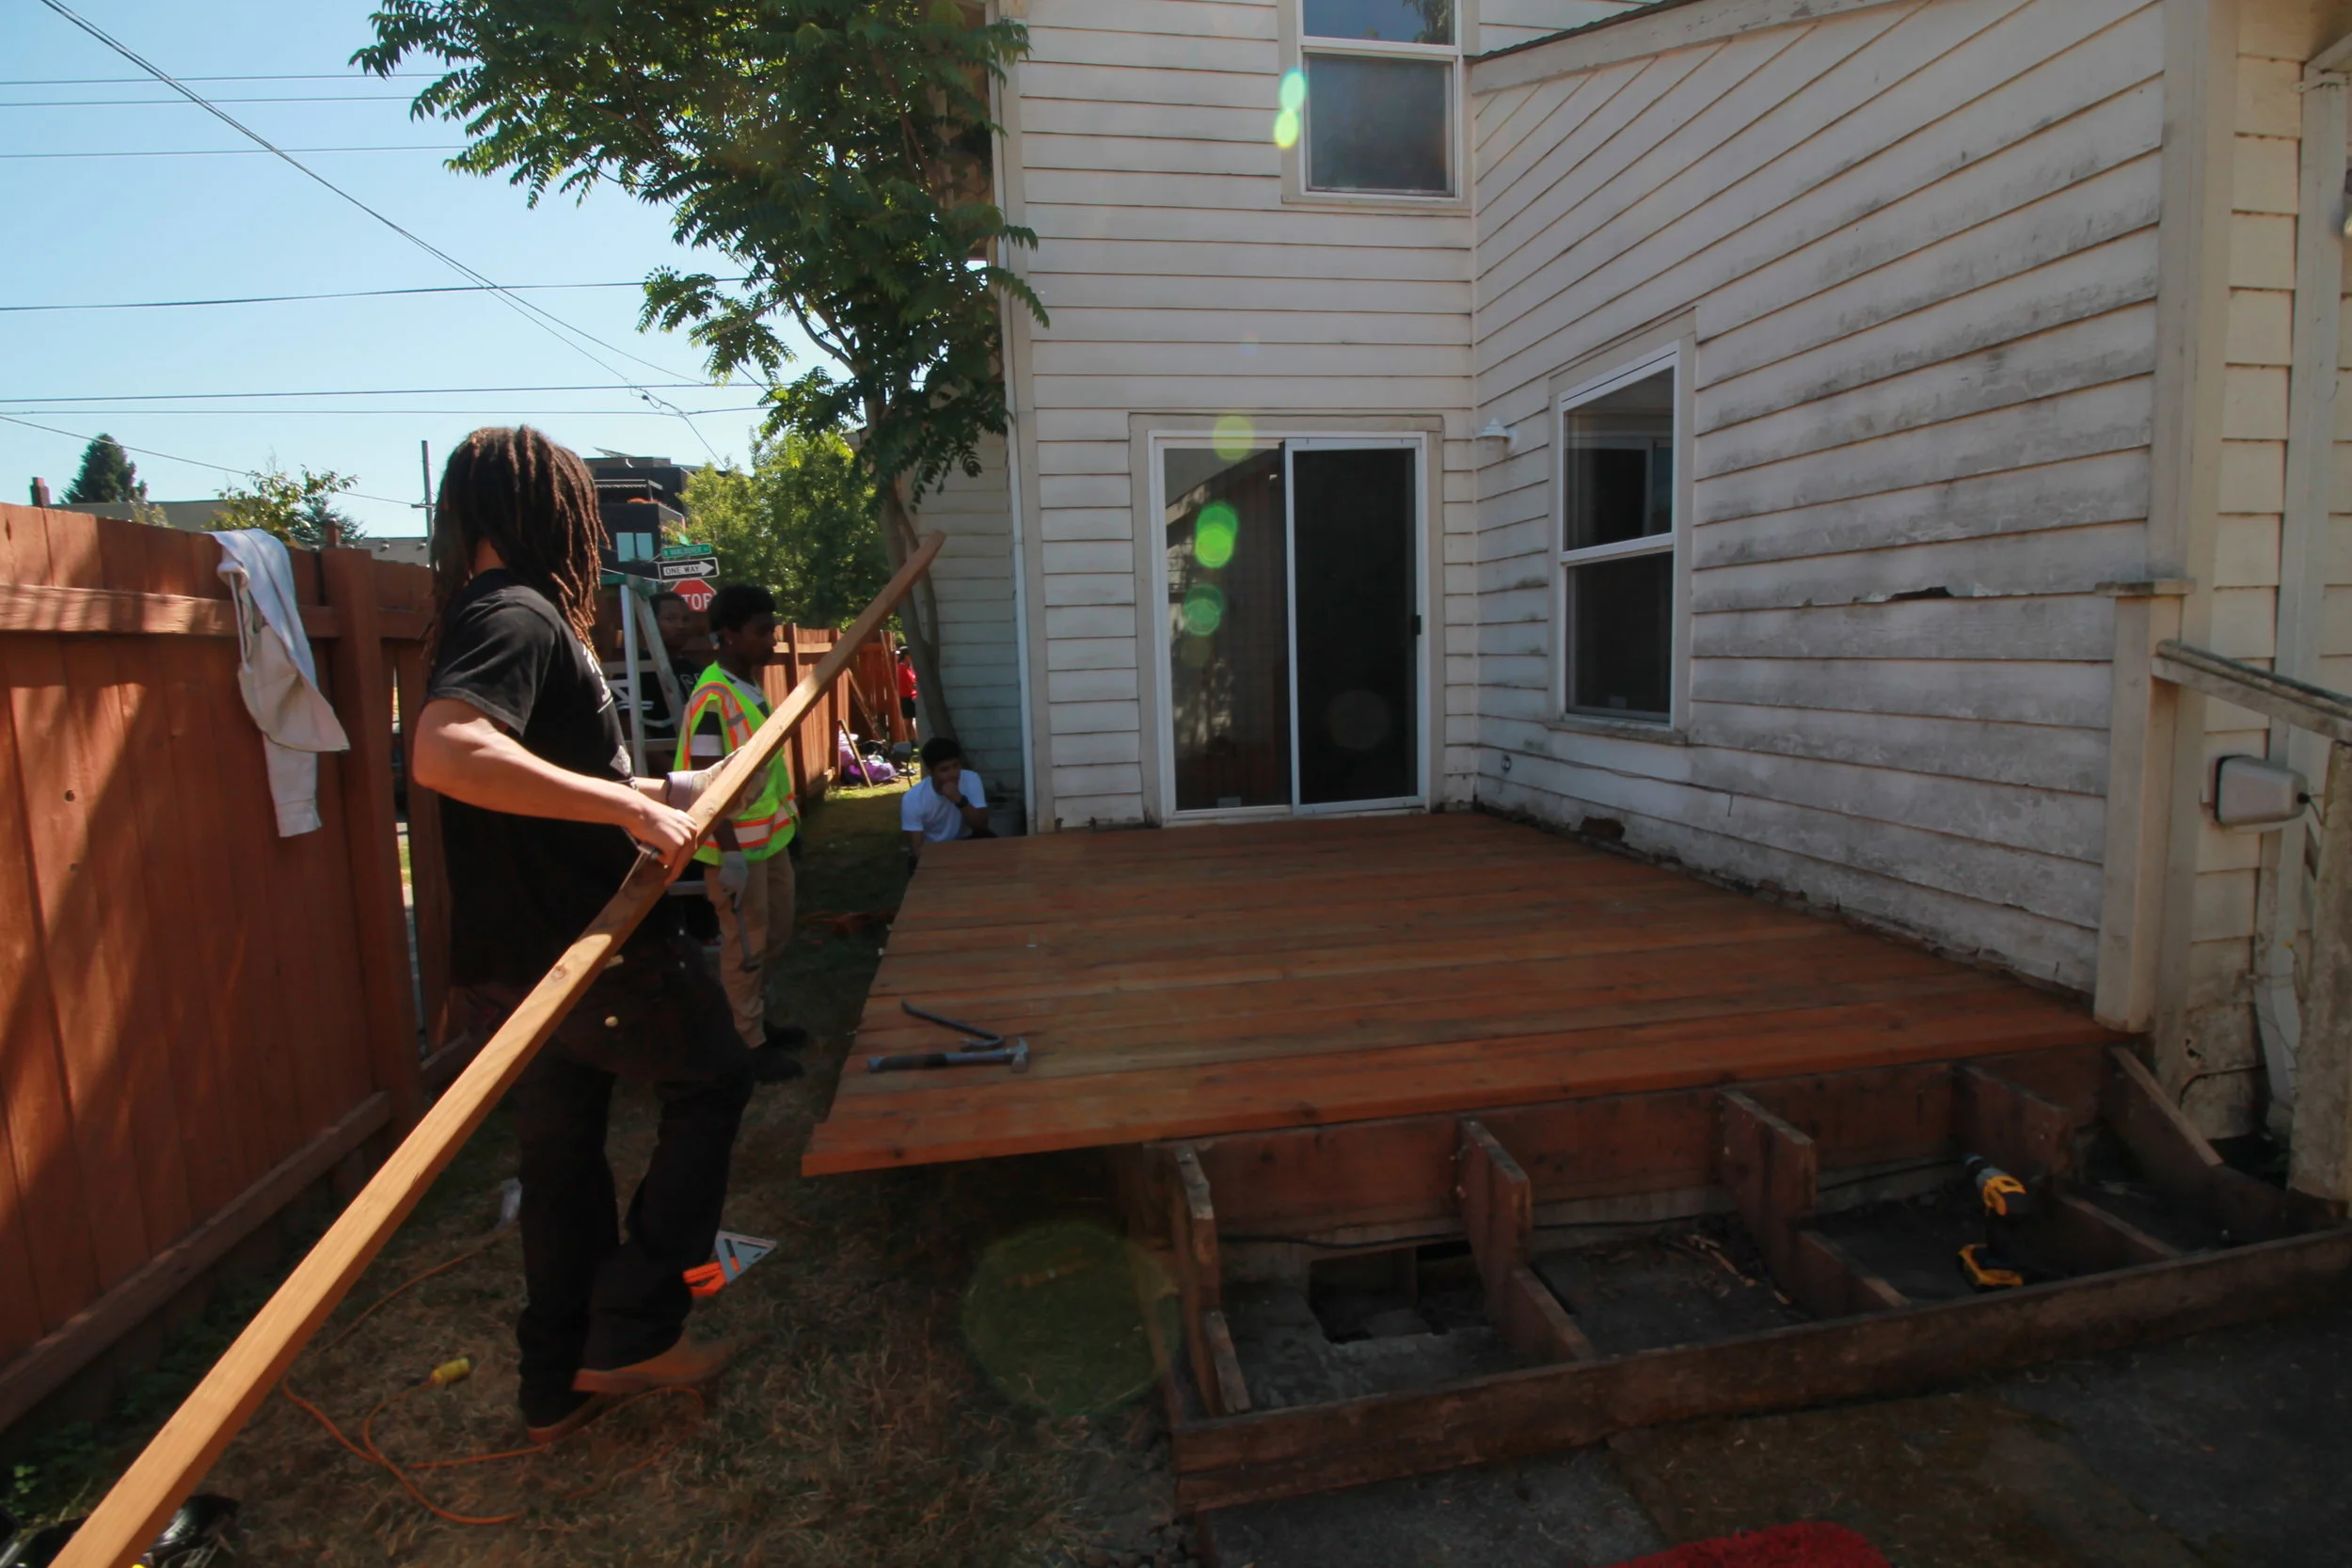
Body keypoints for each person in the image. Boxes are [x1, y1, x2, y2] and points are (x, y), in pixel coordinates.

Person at [410, 426, 771, 1447]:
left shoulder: (477, 614)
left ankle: (552, 1381)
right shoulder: (516, 611)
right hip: (590, 950)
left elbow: (525, 777)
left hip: (513, 965)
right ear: (544, 510)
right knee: (714, 1076)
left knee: (564, 1165)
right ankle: (636, 1323)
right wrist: (628, 814)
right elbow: (449, 750)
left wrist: (648, 794)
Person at [678, 585, 809, 1056]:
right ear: (729, 635)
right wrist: (730, 853)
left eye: (771, 629)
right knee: (745, 947)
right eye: (761, 631)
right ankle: (746, 1045)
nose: (771, 640)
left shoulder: (747, 687)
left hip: (768, 841)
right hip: (735, 849)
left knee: (775, 934)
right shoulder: (714, 697)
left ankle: (755, 1020)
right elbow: (706, 785)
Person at [901, 736, 991, 867]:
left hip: (966, 842)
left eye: (955, 766)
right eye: (944, 770)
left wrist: (960, 800)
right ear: (929, 772)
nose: (953, 774)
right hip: (933, 849)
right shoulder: (913, 798)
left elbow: (982, 826)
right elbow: (917, 851)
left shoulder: (971, 779)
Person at [895, 644, 921, 747]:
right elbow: (910, 684)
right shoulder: (902, 668)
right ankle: (907, 741)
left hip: (911, 697)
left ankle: (913, 741)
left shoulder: (908, 668)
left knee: (910, 722)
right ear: (906, 656)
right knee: (907, 722)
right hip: (906, 697)